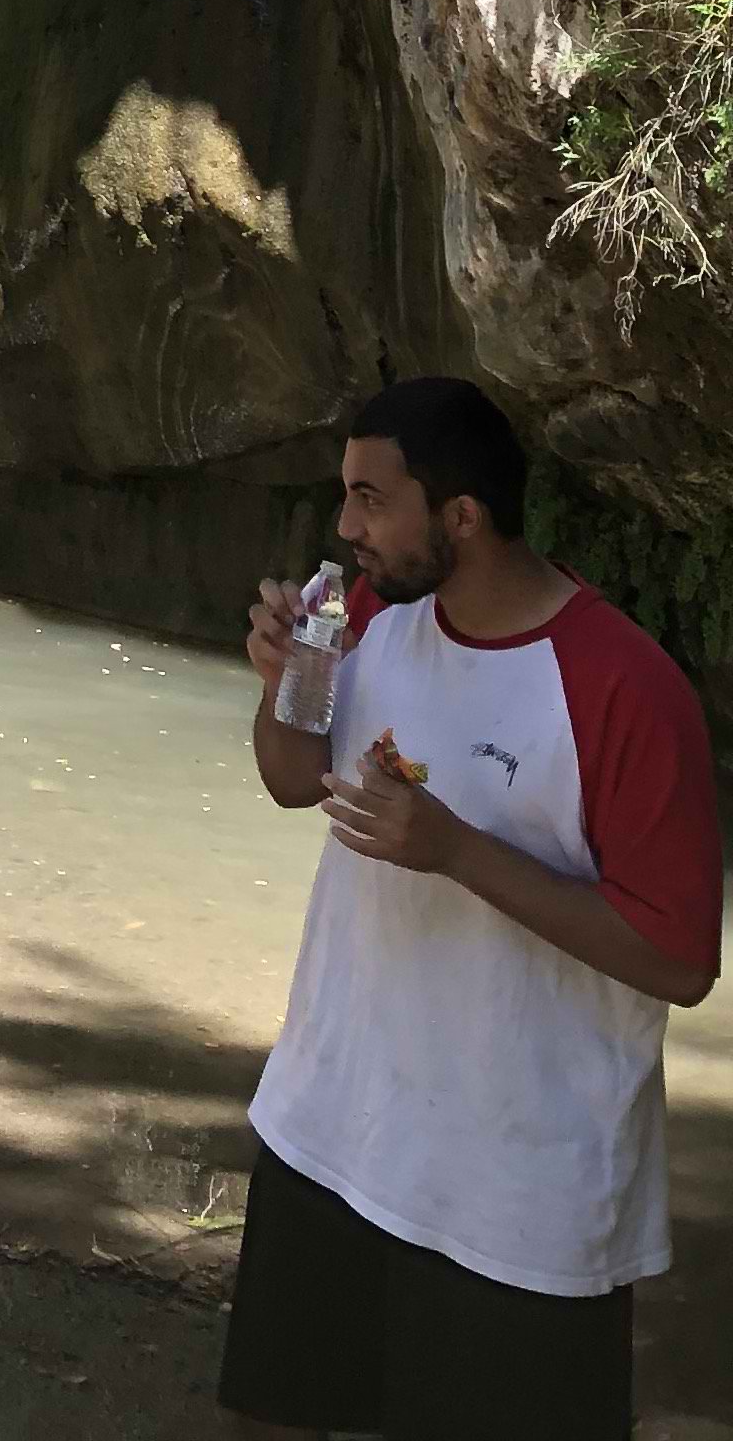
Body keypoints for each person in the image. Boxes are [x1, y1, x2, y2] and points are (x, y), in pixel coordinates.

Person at [224, 374, 722, 1439]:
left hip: (518, 1197)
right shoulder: (366, 615)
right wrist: (281, 683)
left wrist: (456, 851)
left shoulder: (625, 690)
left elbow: (681, 961)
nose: (346, 527)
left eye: (371, 499)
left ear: (460, 515)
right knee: (274, 1419)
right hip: (331, 1127)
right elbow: (293, 778)